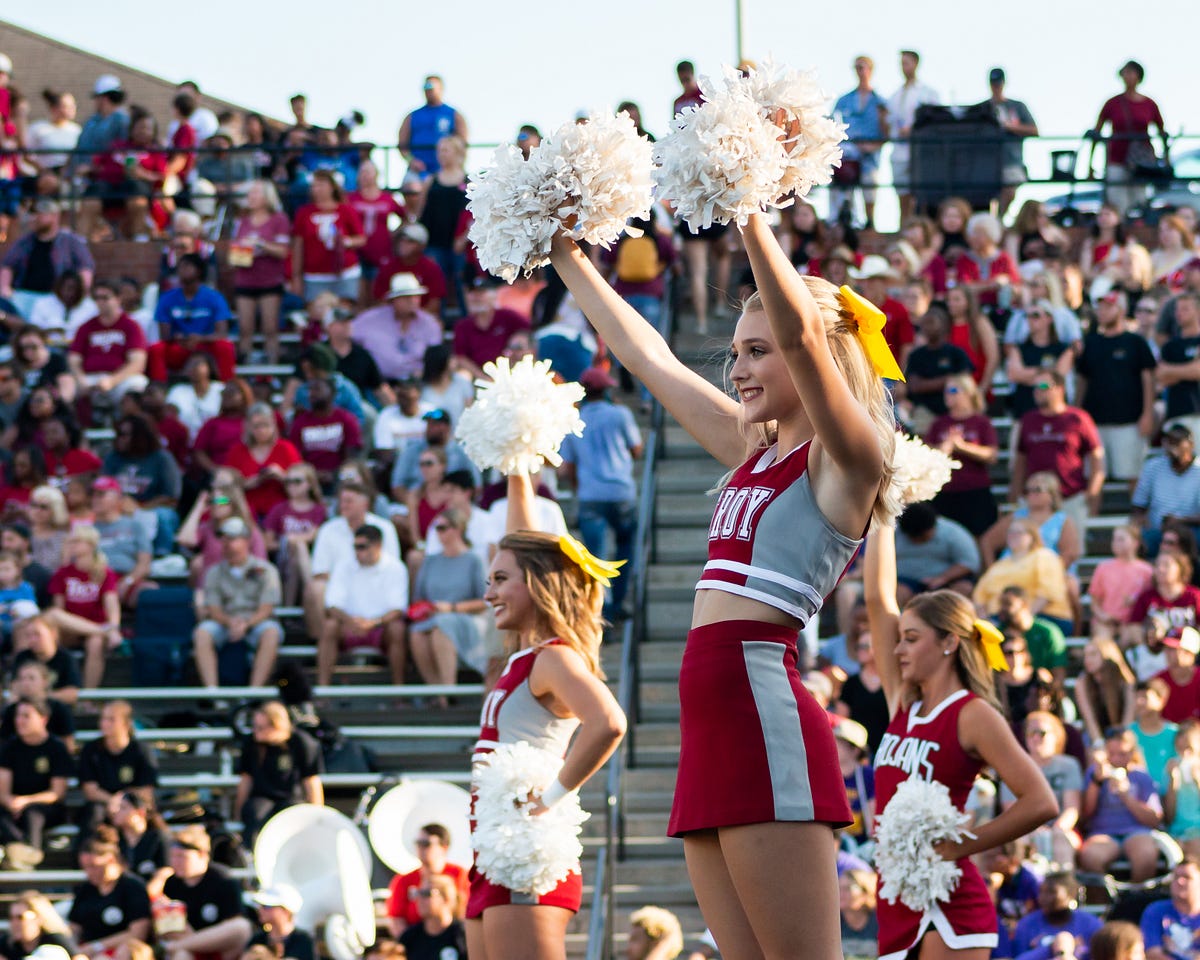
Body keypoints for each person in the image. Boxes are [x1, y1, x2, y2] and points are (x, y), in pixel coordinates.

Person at [548, 193, 900, 957]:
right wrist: (564, 255)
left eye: (756, 351)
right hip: (707, 721)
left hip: (761, 709)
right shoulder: (753, 454)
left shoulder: (849, 460)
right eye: (736, 352)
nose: (739, 369)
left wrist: (743, 208)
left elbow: (807, 338)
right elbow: (648, 359)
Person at [862, 523, 1058, 960]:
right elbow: (877, 599)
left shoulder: (973, 714)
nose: (898, 650)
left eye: (912, 639)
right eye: (901, 639)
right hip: (896, 893)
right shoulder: (902, 703)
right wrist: (883, 515)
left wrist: (961, 846)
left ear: (949, 642)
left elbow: (1041, 801)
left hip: (951, 900)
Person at [465, 470, 626, 960]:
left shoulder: (555, 657)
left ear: (536, 584)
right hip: (491, 847)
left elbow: (609, 722)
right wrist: (516, 468)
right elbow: (519, 539)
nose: (489, 593)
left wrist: (552, 796)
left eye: (500, 580)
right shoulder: (523, 653)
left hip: (523, 850)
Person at [558, 367, 643, 618]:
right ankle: (618, 602)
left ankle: (600, 608)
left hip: (590, 495)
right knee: (626, 545)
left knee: (595, 556)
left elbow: (567, 467)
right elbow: (636, 449)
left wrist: (578, 488)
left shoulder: (574, 420)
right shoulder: (620, 414)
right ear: (606, 390)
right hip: (620, 492)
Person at [1010, 371, 1105, 540]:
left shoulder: (1078, 418)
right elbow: (1020, 461)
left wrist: (1091, 495)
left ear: (1060, 389)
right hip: (1035, 500)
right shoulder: (1028, 420)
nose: (1038, 390)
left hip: (1070, 498)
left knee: (1071, 554)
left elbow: (1097, 460)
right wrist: (1016, 493)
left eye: (1044, 386)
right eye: (1035, 387)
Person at [192, 516, 282, 690]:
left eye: (232, 538)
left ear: (247, 540)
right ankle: (213, 692)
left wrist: (246, 624)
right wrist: (230, 623)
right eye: (224, 538)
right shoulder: (214, 572)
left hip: (256, 622)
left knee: (271, 632)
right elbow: (213, 608)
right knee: (202, 632)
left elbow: (267, 607)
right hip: (225, 623)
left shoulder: (266, 570)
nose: (226, 543)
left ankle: (255, 691)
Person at [1076, 290, 1158, 482]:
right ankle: (1093, 513)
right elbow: (1082, 380)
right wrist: (1078, 413)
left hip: (1129, 421)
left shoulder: (1136, 342)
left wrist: (1148, 414)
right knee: (1094, 476)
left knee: (1133, 476)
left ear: (1121, 310)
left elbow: (1148, 379)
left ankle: (1138, 513)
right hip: (1094, 421)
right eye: (1100, 307)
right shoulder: (1091, 342)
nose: (1102, 311)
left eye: (1108, 307)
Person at [408, 509, 487, 698]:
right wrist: (428, 608)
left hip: (465, 618)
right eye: (437, 528)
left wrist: (451, 608)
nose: (439, 532)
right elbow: (419, 596)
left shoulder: (473, 560)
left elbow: (484, 601)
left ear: (458, 529)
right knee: (417, 633)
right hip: (432, 617)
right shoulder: (431, 561)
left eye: (443, 527)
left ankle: (448, 689)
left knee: (441, 628)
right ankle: (438, 692)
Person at [319, 524, 408, 687]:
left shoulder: (396, 568)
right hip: (348, 626)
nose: (357, 551)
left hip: (381, 629)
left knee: (397, 629)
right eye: (355, 546)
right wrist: (351, 622)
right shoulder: (343, 565)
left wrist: (373, 623)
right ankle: (322, 690)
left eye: (362, 547)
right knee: (329, 626)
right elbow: (331, 605)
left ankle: (399, 691)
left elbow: (398, 609)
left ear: (378, 546)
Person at [151, 825, 252, 960]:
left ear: (202, 854)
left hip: (219, 950)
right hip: (187, 948)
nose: (175, 862)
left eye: (181, 856)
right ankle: (179, 946)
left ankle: (178, 946)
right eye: (173, 857)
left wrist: (195, 939)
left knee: (242, 927)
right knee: (181, 954)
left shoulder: (223, 880)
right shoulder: (171, 883)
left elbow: (233, 926)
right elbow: (166, 932)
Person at [1077, 725, 1163, 882]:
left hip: (1136, 832)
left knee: (1146, 856)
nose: (1116, 759)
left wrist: (1126, 796)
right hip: (1103, 833)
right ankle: (1108, 900)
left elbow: (1154, 820)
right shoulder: (1094, 774)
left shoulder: (1141, 776)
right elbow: (1086, 814)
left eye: (1122, 754)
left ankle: (1134, 900)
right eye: (1111, 754)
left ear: (1132, 753)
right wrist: (1096, 782)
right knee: (1090, 857)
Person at [234, 701, 322, 846]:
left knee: (292, 815)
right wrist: (238, 811)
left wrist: (317, 814)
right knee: (254, 813)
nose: (255, 731)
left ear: (277, 726)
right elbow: (245, 780)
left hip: (291, 797)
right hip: (262, 796)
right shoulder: (251, 743)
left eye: (260, 727)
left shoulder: (301, 742)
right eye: (254, 726)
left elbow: (311, 781)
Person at [0, 697, 73, 866]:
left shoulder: (56, 747)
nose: (20, 721)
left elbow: (57, 793)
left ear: (43, 719)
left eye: (26, 716)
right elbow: (3, 791)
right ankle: (22, 854)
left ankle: (31, 852)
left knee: (33, 812)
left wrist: (25, 802)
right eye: (18, 716)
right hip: (14, 806)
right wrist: (11, 802)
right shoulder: (10, 747)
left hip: (45, 807)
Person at [925, 373, 999, 538]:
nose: (947, 395)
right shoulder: (939, 423)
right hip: (945, 492)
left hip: (975, 492)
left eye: (952, 390)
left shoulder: (981, 422)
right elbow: (926, 453)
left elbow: (992, 455)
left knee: (980, 536)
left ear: (968, 393)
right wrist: (944, 448)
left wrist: (963, 447)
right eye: (945, 391)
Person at [1090, 61, 1169, 216]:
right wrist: (1090, 165)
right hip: (1117, 157)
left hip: (1140, 161)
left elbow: (1162, 132)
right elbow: (1096, 132)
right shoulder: (1112, 103)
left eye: (1131, 73)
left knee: (1139, 200)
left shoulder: (1149, 104)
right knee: (1117, 200)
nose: (1127, 76)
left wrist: (1165, 160)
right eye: (1125, 73)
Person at [48, 525, 121, 689]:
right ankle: (105, 631)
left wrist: (115, 626)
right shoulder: (63, 573)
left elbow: (112, 605)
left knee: (95, 643)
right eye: (70, 542)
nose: (71, 545)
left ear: (90, 545)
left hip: (95, 626)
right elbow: (59, 610)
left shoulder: (105, 573)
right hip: (70, 628)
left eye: (76, 541)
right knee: (52, 616)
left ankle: (89, 696)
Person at [148, 253, 236, 382]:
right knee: (157, 349)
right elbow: (164, 335)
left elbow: (222, 333)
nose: (181, 270)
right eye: (180, 267)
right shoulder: (167, 298)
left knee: (225, 346)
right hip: (180, 346)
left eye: (187, 266)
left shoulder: (214, 297)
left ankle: (226, 385)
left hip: (206, 345)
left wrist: (200, 339)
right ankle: (158, 387)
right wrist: (179, 338)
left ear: (199, 270)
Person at [230, 181, 290, 364]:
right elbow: (234, 257)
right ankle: (245, 366)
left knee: (270, 328)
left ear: (267, 197)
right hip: (245, 280)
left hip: (269, 281)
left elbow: (283, 251)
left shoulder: (279, 219)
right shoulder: (242, 221)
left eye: (255, 193)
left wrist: (260, 244)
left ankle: (272, 368)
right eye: (250, 193)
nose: (251, 197)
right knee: (245, 328)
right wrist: (242, 252)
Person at [68, 826, 152, 957]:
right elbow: (75, 927)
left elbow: (137, 933)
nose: (89, 873)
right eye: (85, 867)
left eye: (94, 867)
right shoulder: (85, 889)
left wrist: (97, 946)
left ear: (111, 860)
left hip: (121, 952)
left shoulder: (132, 887)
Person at [67, 277, 149, 412]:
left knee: (138, 384)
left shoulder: (131, 326)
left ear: (118, 299)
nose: (100, 302)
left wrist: (112, 381)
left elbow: (137, 363)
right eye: (97, 298)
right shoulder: (85, 327)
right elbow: (74, 360)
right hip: (89, 379)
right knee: (67, 384)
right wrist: (80, 379)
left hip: (120, 379)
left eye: (105, 298)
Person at [78, 700, 157, 837]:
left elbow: (146, 790)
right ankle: (87, 855)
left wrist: (122, 801)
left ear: (126, 724)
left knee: (140, 816)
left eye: (111, 719)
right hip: (102, 804)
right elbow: (90, 790)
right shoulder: (91, 749)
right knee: (93, 813)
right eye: (103, 718)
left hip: (133, 804)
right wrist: (111, 801)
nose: (104, 723)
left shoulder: (142, 750)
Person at [351, 272, 442, 381]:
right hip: (380, 384)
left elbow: (436, 357)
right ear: (393, 300)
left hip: (419, 383)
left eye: (416, 296)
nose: (412, 301)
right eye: (406, 297)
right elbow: (347, 333)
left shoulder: (429, 324)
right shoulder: (370, 320)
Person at [832, 56, 889, 230]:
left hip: (870, 155)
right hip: (847, 153)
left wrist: (872, 146)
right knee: (841, 186)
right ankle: (842, 220)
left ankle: (870, 222)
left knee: (870, 184)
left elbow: (886, 131)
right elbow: (833, 125)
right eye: (857, 67)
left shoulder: (880, 101)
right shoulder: (844, 100)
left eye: (863, 67)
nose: (860, 71)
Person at [386, 822, 471, 937]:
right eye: (418, 843)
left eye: (426, 843)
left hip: (455, 940)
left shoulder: (460, 875)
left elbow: (467, 912)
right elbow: (396, 920)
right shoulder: (403, 881)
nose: (420, 848)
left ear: (444, 847)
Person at [1131, 425, 1200, 558]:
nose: (1171, 446)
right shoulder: (1153, 467)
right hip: (1158, 530)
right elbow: (1138, 505)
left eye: (1177, 441)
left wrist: (1180, 521)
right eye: (1168, 441)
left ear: (1190, 444)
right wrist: (1141, 520)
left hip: (1192, 530)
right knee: (1138, 540)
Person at [886, 50, 939, 220]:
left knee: (921, 195)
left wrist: (914, 129)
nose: (903, 67)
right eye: (901, 63)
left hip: (921, 152)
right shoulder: (895, 96)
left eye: (906, 63)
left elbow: (935, 120)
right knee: (902, 194)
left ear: (916, 64)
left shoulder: (927, 93)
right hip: (899, 151)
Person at [1009, 871, 1101, 960]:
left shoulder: (1091, 925)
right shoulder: (1026, 925)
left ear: (1071, 894)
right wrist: (1052, 947)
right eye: (1041, 891)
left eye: (1051, 892)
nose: (1043, 897)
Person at [397, 75, 469, 180]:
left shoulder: (453, 114)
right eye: (425, 87)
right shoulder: (412, 116)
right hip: (418, 171)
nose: (428, 90)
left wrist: (456, 164)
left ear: (441, 88)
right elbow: (402, 143)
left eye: (431, 87)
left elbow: (463, 143)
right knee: (410, 186)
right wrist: (411, 161)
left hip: (446, 170)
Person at [1140, 858, 1200, 960]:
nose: (1180, 881)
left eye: (1187, 877)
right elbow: (1152, 954)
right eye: (1176, 877)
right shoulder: (1156, 911)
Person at [400, 874, 467, 960]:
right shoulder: (409, 937)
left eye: (426, 894)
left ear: (447, 898)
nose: (419, 899)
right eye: (418, 893)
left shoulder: (463, 934)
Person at [110, 791, 171, 883]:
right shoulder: (115, 838)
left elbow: (165, 870)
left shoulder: (158, 837)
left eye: (123, 808)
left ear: (140, 812)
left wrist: (147, 893)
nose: (116, 812)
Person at [247, 885, 315, 960]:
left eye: (267, 906)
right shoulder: (258, 939)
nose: (260, 910)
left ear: (286, 911)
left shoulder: (303, 940)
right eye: (260, 906)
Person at [0, 893, 75, 960]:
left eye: (20, 917)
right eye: (11, 918)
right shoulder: (7, 944)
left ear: (38, 918)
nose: (14, 923)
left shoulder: (55, 941)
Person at [838, 868, 880, 960]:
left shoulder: (880, 921)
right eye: (838, 888)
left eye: (847, 888)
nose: (840, 894)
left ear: (865, 892)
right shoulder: (832, 923)